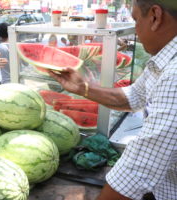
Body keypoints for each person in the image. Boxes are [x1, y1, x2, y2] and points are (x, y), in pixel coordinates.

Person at [49, 0, 177, 199]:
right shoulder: (164, 61)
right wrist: (82, 88)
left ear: (155, 16)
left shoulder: (174, 74)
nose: (135, 30)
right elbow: (134, 96)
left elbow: (140, 168)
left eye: (135, 20)